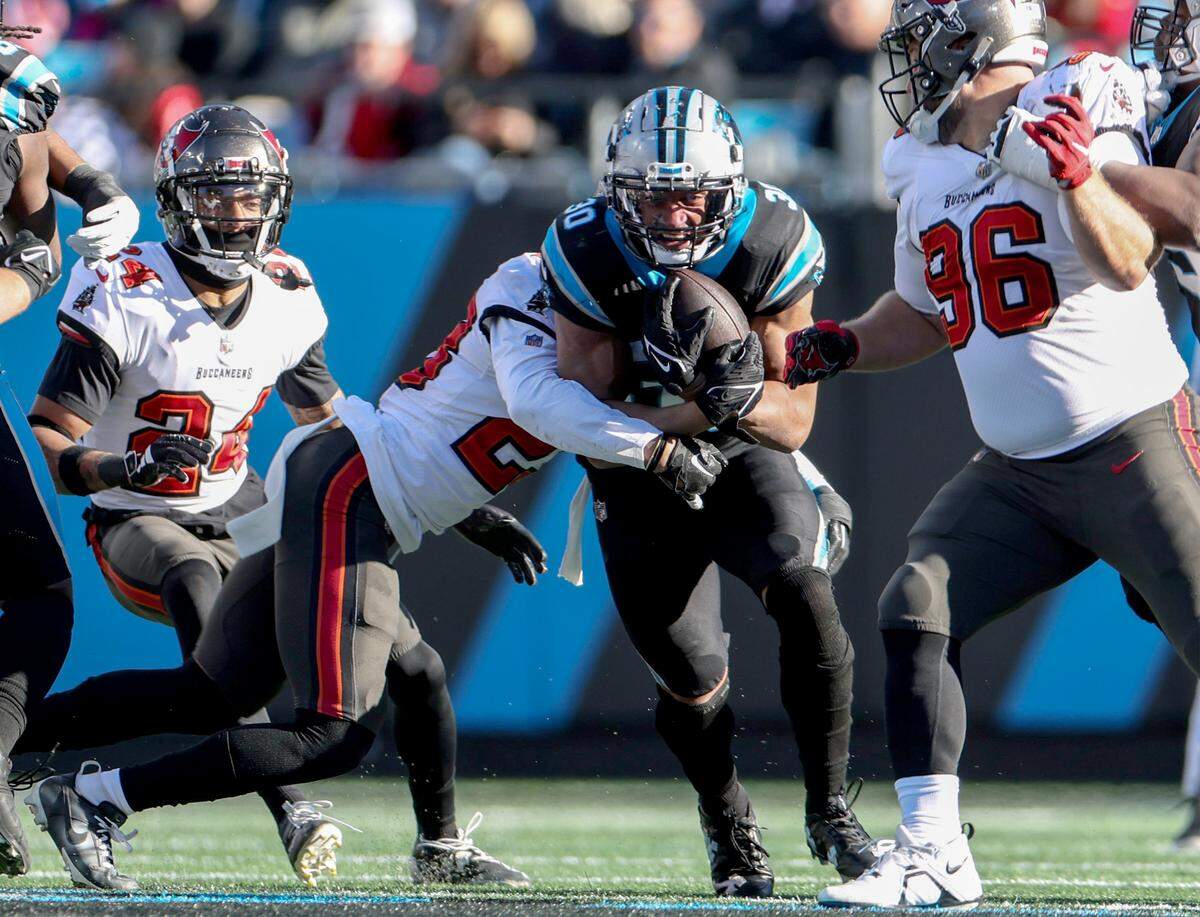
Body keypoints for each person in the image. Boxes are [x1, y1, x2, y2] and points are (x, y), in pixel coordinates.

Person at [20, 229, 745, 889]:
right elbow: (542, 407)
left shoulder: (582, 330)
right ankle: (95, 798)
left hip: (348, 481)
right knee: (333, 731)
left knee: (232, 692)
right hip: (349, 493)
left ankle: (441, 846)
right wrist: (656, 448)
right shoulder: (528, 307)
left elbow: (495, 425)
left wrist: (474, 510)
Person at [20, 101, 541, 890]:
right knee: (201, 588)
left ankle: (440, 844)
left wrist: (461, 507)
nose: (240, 212)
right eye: (221, 194)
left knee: (418, 667)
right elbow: (55, 440)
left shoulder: (288, 291)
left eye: (253, 194)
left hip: (249, 505)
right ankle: (288, 803)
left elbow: (340, 437)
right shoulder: (125, 287)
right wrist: (122, 468)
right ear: (176, 201)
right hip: (136, 514)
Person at [784, 0, 1200, 907]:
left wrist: (1077, 174)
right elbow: (929, 310)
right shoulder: (925, 161)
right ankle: (933, 849)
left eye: (919, 41)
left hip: (1133, 434)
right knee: (917, 602)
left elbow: (1132, 260)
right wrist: (843, 344)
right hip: (1019, 470)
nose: (904, 62)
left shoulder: (1077, 94)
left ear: (970, 42)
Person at [541, 86, 872, 897]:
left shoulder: (772, 240)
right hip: (636, 465)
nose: (675, 217)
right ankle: (728, 821)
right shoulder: (586, 251)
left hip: (741, 447)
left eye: (691, 195)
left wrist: (719, 401)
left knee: (802, 585)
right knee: (692, 677)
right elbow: (584, 407)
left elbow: (790, 418)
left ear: (728, 189)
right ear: (618, 191)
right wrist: (682, 412)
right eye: (654, 196)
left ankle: (831, 804)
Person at [0, 25, 141, 878]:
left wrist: (96, 186)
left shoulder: (16, 126)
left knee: (36, 590)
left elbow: (34, 248)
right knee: (36, 590)